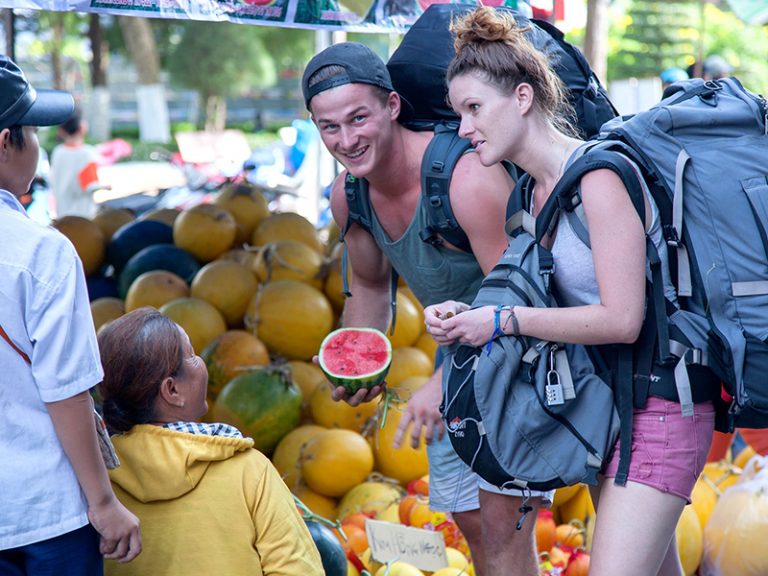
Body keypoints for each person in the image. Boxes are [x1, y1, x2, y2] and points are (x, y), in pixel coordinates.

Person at [425, 7, 715, 576]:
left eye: (474, 108)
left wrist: (504, 322)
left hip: (662, 404)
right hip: (612, 411)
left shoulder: (600, 179)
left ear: (524, 98)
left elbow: (622, 318)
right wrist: (472, 315)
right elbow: (550, 304)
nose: (463, 128)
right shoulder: (528, 196)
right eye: (459, 112)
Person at [302, 41, 551, 576]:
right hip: (455, 363)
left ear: (392, 107)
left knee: (507, 535)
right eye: (329, 128)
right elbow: (368, 286)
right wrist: (359, 359)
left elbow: (516, 289)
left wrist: (443, 383)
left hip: (520, 357)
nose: (346, 140)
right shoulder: (350, 196)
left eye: (358, 118)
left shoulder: (465, 180)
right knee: (478, 535)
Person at [0, 54, 141, 574]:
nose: (40, 144)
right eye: (33, 131)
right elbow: (64, 388)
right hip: (42, 516)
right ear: (4, 143)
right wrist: (103, 504)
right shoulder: (41, 252)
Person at [96, 307, 324, 576]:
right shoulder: (248, 470)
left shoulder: (97, 482)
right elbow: (297, 569)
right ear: (172, 390)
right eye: (192, 355)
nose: (202, 361)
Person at [49, 107, 101, 219]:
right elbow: (90, 185)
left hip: (62, 214)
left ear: (61, 131)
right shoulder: (87, 153)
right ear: (82, 127)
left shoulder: (58, 152)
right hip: (83, 216)